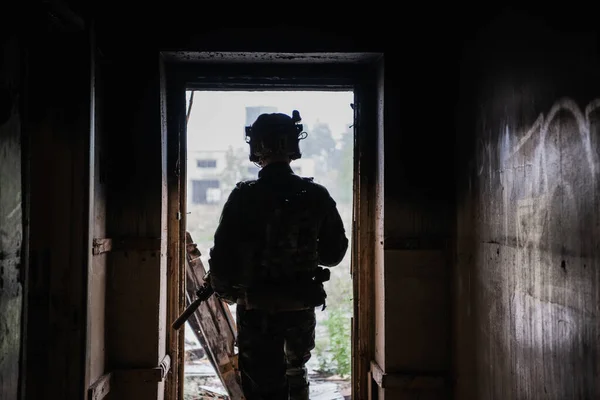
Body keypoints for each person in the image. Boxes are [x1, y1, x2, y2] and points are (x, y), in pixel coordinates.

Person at [208, 110, 349, 400]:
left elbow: (221, 260)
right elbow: (334, 254)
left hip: (257, 311)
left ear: (256, 147)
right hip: (299, 308)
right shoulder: (315, 194)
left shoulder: (243, 197)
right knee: (296, 375)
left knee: (261, 386)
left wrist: (233, 293)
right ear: (294, 145)